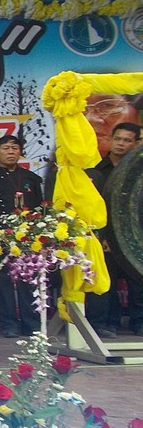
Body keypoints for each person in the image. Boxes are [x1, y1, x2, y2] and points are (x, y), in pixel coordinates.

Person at [87, 122, 143, 338]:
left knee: (138, 283)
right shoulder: (97, 170)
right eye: (117, 139)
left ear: (136, 144)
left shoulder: (139, 172)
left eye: (127, 140)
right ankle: (107, 323)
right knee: (105, 283)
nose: (121, 144)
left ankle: (139, 323)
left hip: (135, 237)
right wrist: (102, 236)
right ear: (110, 140)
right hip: (106, 237)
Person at [0, 135, 43, 338]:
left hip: (27, 238)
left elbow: (39, 208)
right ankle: (9, 324)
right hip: (0, 236)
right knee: (3, 283)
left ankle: (31, 323)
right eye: (5, 148)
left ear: (20, 152)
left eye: (14, 148)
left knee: (29, 281)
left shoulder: (31, 178)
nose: (10, 152)